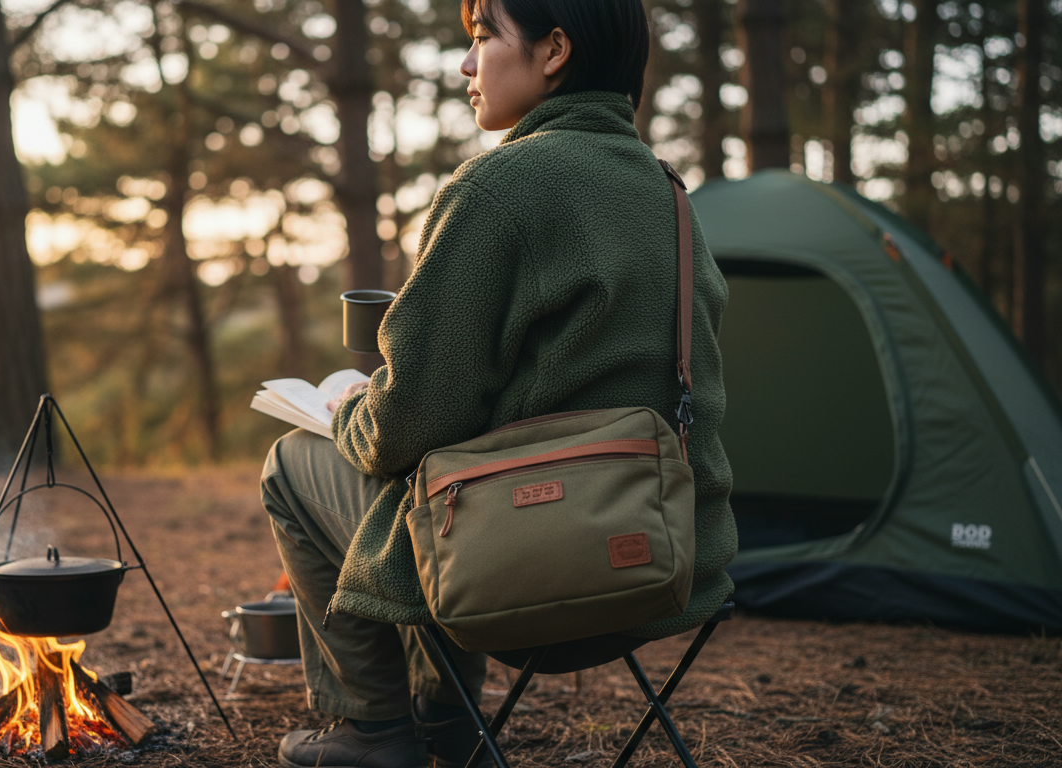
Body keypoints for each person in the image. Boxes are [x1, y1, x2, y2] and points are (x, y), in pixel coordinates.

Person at [260, 0, 736, 764]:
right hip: (667, 566)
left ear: (554, 51)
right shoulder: (667, 192)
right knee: (460, 467)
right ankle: (447, 724)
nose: (465, 63)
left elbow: (408, 424)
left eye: (483, 38)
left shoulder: (496, 191)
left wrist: (351, 406)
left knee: (294, 462)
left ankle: (375, 728)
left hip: (534, 578)